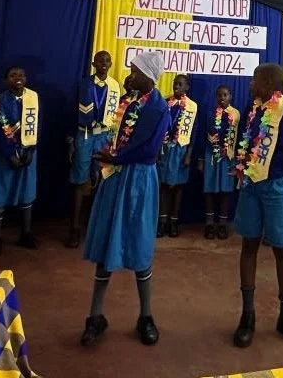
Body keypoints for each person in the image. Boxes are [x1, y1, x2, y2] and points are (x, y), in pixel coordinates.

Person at [81, 51, 170, 348]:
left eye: (134, 71)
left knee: (139, 245)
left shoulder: (159, 108)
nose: (130, 76)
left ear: (149, 76)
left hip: (139, 181)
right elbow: (118, 136)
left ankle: (146, 316)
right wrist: (110, 153)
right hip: (115, 177)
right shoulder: (127, 102)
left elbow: (148, 151)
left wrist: (114, 156)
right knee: (107, 243)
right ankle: (95, 316)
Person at [232, 63, 283, 349]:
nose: (251, 84)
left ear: (269, 83)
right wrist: (244, 167)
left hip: (273, 187)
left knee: (282, 250)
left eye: (255, 80)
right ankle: (247, 315)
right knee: (248, 246)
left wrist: (258, 170)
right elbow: (247, 142)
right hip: (251, 186)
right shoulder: (254, 110)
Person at [67, 51, 121, 248]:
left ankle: (93, 226)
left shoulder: (115, 86)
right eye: (100, 60)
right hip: (85, 134)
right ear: (93, 63)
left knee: (99, 178)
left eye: (107, 60)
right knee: (80, 180)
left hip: (104, 135)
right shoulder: (84, 84)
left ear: (111, 63)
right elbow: (72, 110)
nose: (104, 63)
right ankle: (74, 228)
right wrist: (71, 138)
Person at [0, 66, 39, 256]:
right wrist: (9, 153)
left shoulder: (33, 98)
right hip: (4, 152)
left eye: (21, 74)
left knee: (26, 190)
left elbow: (38, 125)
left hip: (27, 151)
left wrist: (31, 149)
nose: (18, 78)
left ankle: (26, 232)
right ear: (6, 79)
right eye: (13, 75)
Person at [157, 74, 197, 238]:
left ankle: (174, 221)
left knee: (178, 187)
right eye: (175, 84)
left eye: (180, 84)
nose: (176, 87)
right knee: (164, 186)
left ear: (187, 87)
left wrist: (188, 154)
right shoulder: (166, 103)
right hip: (165, 149)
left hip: (181, 149)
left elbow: (193, 133)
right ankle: (162, 221)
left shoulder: (192, 106)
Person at [198, 85, 239, 240]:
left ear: (230, 97)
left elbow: (240, 137)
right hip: (211, 155)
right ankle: (209, 223)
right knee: (209, 189)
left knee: (226, 191)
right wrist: (201, 160)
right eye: (219, 95)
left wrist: (236, 162)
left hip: (228, 157)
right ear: (216, 97)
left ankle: (222, 224)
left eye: (225, 95)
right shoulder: (210, 113)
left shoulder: (236, 114)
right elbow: (203, 136)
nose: (222, 98)